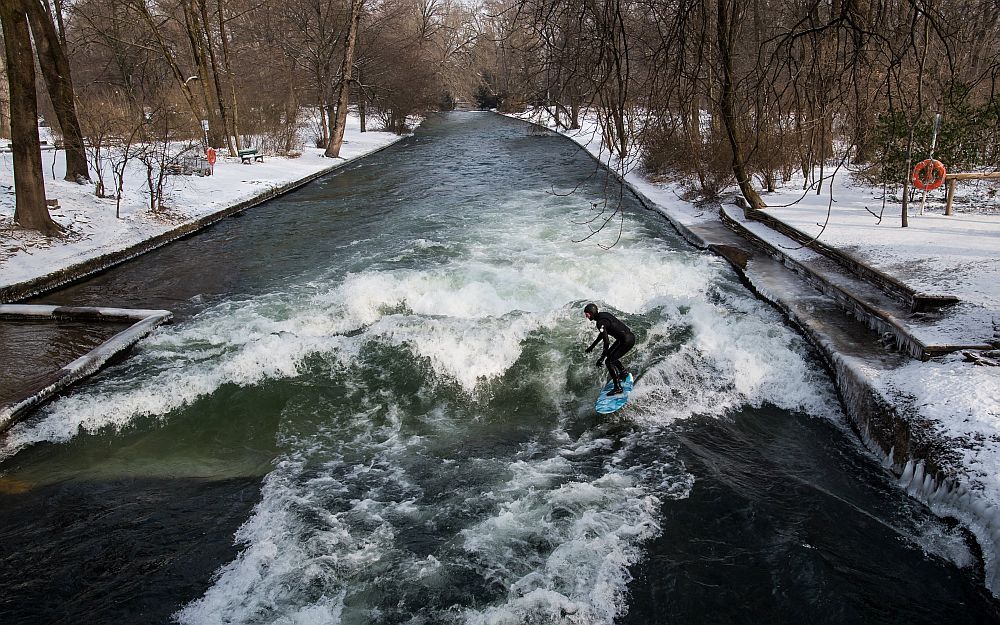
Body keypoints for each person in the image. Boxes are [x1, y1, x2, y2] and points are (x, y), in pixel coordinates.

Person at [583, 302, 635, 396]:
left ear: (591, 313)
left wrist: (602, 358)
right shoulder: (603, 315)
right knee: (610, 355)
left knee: (609, 361)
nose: (586, 316)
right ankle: (623, 373)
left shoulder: (600, 323)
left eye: (587, 314)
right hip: (626, 337)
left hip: (626, 341)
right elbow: (602, 334)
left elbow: (606, 342)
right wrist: (592, 346)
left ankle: (618, 388)